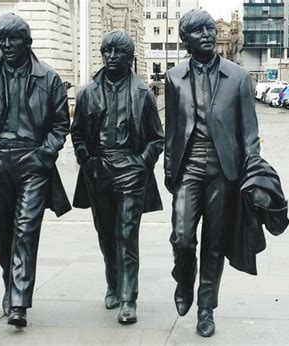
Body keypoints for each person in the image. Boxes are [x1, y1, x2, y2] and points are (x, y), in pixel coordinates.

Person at [0, 13, 71, 328]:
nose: (6, 45)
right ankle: (10, 285)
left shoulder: (48, 78)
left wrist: (45, 155)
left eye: (13, 39)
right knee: (5, 233)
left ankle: (18, 302)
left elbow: (60, 124)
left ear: (28, 42)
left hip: (33, 162)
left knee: (26, 231)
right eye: (1, 39)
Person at [163, 9, 260, 337]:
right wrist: (167, 168)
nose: (206, 34)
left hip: (224, 172)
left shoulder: (238, 76)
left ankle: (206, 308)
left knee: (214, 244)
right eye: (197, 30)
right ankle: (184, 280)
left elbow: (249, 133)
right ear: (185, 40)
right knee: (183, 237)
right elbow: (172, 130)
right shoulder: (174, 77)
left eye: (209, 28)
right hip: (188, 168)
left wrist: (253, 172)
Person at [71, 31, 164, 324]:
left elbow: (156, 138)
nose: (111, 57)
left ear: (129, 58)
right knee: (106, 233)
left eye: (118, 52)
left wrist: (141, 163)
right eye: (107, 51)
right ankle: (113, 281)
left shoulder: (143, 94)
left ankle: (128, 297)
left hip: (131, 170)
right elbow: (77, 133)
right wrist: (87, 160)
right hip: (99, 170)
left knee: (127, 234)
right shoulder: (87, 93)